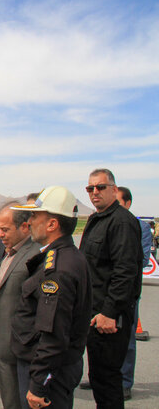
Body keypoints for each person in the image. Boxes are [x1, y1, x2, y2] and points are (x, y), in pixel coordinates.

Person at [10, 186, 91, 409]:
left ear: (52, 224)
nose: (29, 222)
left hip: (47, 371)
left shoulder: (58, 269)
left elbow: (54, 333)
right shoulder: (63, 256)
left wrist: (38, 384)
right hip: (49, 367)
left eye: (35, 216)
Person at [80, 169, 142, 408]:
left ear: (114, 190)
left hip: (108, 318)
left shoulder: (122, 222)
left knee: (107, 382)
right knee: (100, 378)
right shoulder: (99, 219)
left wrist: (109, 313)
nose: (94, 192)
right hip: (94, 314)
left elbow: (125, 272)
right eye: (90, 188)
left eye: (100, 187)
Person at [0, 201, 41, 409]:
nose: (0, 235)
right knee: (10, 399)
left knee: (20, 401)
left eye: (5, 229)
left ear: (24, 227)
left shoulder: (35, 256)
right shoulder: (11, 252)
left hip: (20, 348)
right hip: (4, 344)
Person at [116, 186, 152, 401]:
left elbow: (144, 259)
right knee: (96, 336)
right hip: (102, 291)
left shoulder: (141, 228)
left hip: (127, 291)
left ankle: (124, 382)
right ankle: (97, 377)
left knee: (126, 338)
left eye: (118, 202)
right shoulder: (102, 222)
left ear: (128, 204)